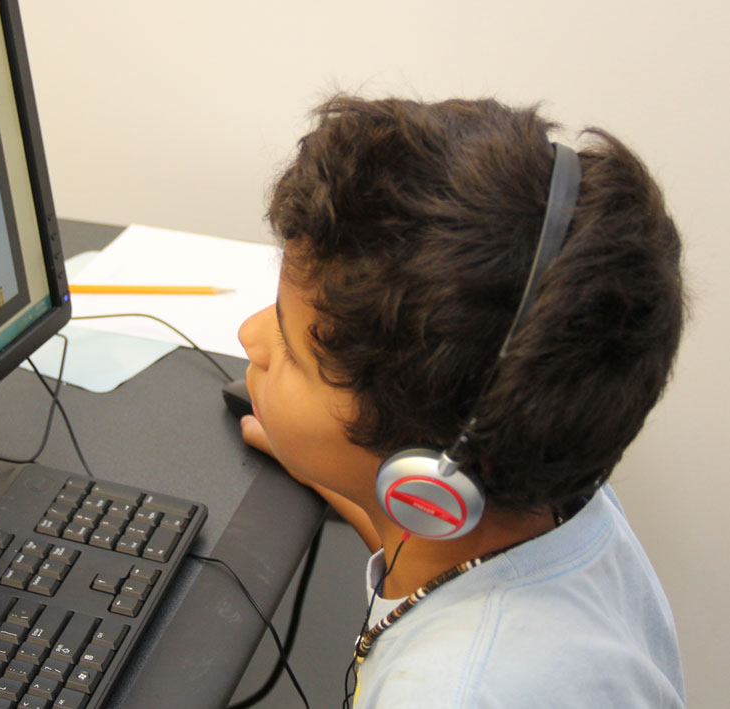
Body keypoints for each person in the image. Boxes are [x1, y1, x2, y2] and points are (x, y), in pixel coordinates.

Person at [237, 95, 685, 707]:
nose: (250, 337)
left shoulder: (457, 691)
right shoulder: (565, 500)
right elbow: (424, 542)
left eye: (290, 349)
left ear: (429, 474)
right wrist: (318, 462)